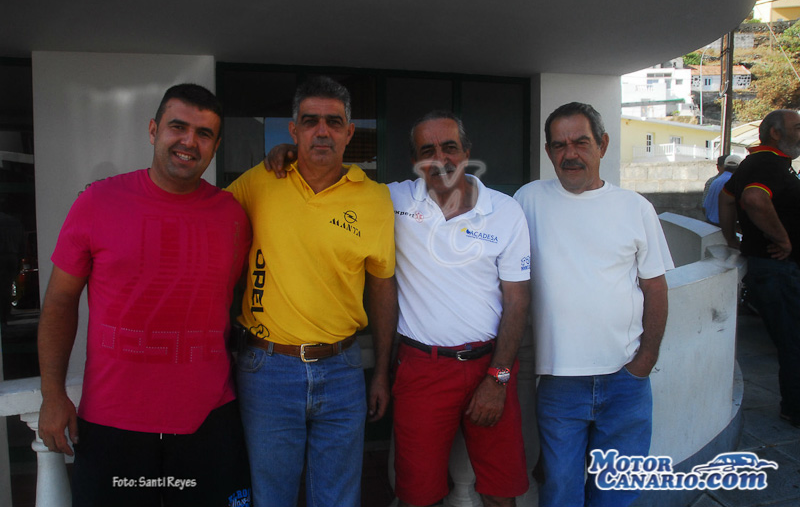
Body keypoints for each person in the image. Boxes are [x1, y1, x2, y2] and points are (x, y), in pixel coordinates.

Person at [263, 110, 532, 507]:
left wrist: (499, 377)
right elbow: (333, 180)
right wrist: (294, 154)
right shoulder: (392, 200)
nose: (440, 159)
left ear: (467, 152)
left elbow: (518, 301)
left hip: (491, 366)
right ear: (413, 161)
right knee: (417, 496)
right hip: (422, 369)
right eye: (427, 151)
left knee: (500, 492)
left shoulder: (506, 211)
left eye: (450, 147)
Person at [37, 84, 253, 507]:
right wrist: (52, 393)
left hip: (208, 421)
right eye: (178, 127)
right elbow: (60, 302)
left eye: (204, 133)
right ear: (153, 130)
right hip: (113, 424)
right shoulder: (97, 201)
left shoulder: (233, 215)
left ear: (216, 146)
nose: (189, 141)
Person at [226, 76, 398, 507]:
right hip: (267, 369)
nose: (323, 131)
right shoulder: (260, 182)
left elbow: (382, 287)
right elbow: (205, 225)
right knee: (272, 497)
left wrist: (380, 371)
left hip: (343, 369)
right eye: (310, 121)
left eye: (333, 122)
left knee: (339, 499)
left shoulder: (376, 199)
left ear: (349, 132)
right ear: (293, 130)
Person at [513, 102, 673, 507]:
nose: (570, 154)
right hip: (559, 382)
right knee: (560, 491)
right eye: (559, 145)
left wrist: (645, 360)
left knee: (617, 493)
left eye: (581, 142)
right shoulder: (528, 200)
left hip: (625, 380)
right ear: (548, 152)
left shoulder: (635, 207)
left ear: (602, 144)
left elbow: (655, 288)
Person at [719, 108, 800, 428]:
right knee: (794, 342)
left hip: (775, 270)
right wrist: (783, 239)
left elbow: (727, 199)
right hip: (777, 269)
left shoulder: (759, 163)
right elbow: (754, 199)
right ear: (776, 133)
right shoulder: (767, 162)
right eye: (798, 127)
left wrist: (730, 237)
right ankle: (794, 408)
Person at [703, 154, 742, 225]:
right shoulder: (733, 181)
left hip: (711, 223)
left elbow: (705, 206)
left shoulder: (715, 181)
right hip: (724, 225)